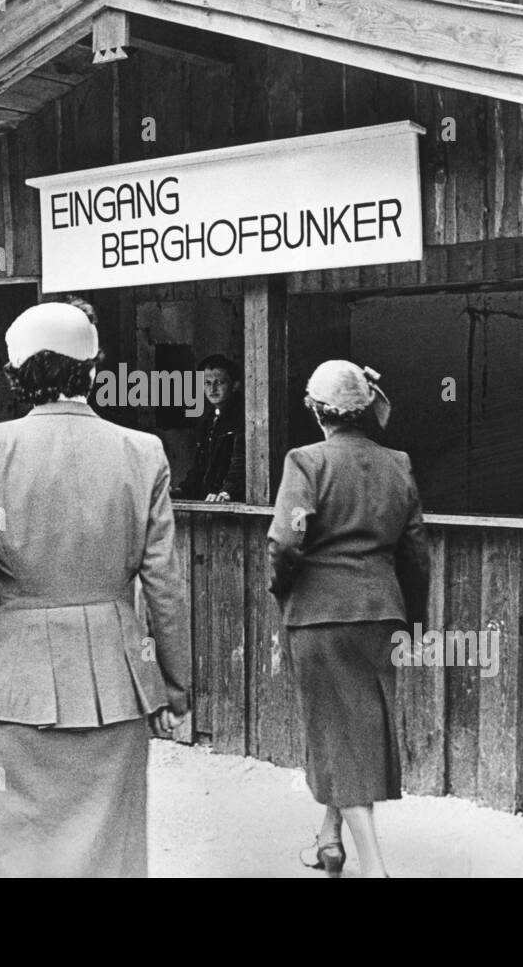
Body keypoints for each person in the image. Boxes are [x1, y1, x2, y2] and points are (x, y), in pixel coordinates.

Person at [0, 300, 191, 878]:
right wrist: (174, 686)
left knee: (2, 850)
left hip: (9, 685)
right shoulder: (143, 453)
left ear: (17, 375)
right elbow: (165, 588)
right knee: (106, 853)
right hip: (114, 684)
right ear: (93, 370)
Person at [267, 361, 429, 878]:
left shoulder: (305, 461)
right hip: (380, 614)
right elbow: (415, 553)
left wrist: (282, 590)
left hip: (320, 616)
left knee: (339, 731)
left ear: (317, 411)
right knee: (347, 728)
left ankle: (375, 869)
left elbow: (285, 542)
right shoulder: (398, 463)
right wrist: (414, 623)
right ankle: (328, 841)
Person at [177, 353, 244, 502]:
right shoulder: (209, 421)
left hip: (232, 501)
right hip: (211, 501)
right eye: (207, 383)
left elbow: (241, 461)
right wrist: (182, 490)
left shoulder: (244, 418)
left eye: (219, 382)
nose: (212, 388)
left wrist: (228, 491)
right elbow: (200, 466)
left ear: (235, 385)